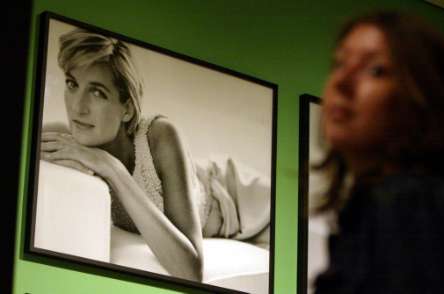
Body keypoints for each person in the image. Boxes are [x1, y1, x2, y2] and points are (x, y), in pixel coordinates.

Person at [40, 28, 271, 281]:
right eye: (72, 84)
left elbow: (190, 270)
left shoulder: (160, 135)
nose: (77, 106)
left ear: (127, 108)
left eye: (97, 92)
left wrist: (111, 168)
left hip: (247, 202)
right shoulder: (66, 139)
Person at [311, 10, 444, 294]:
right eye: (339, 63)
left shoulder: (410, 204)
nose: (342, 82)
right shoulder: (382, 205)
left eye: (375, 70)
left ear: (421, 98)